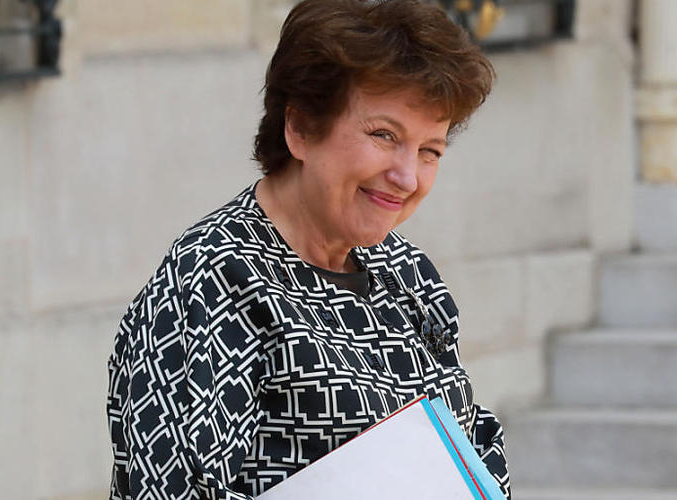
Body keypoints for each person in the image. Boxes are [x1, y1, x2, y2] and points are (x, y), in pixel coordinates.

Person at [105, 0, 508, 498]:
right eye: (384, 135)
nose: (407, 177)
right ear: (299, 129)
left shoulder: (408, 273)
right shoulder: (210, 283)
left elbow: (472, 444)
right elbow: (172, 491)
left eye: (430, 151)